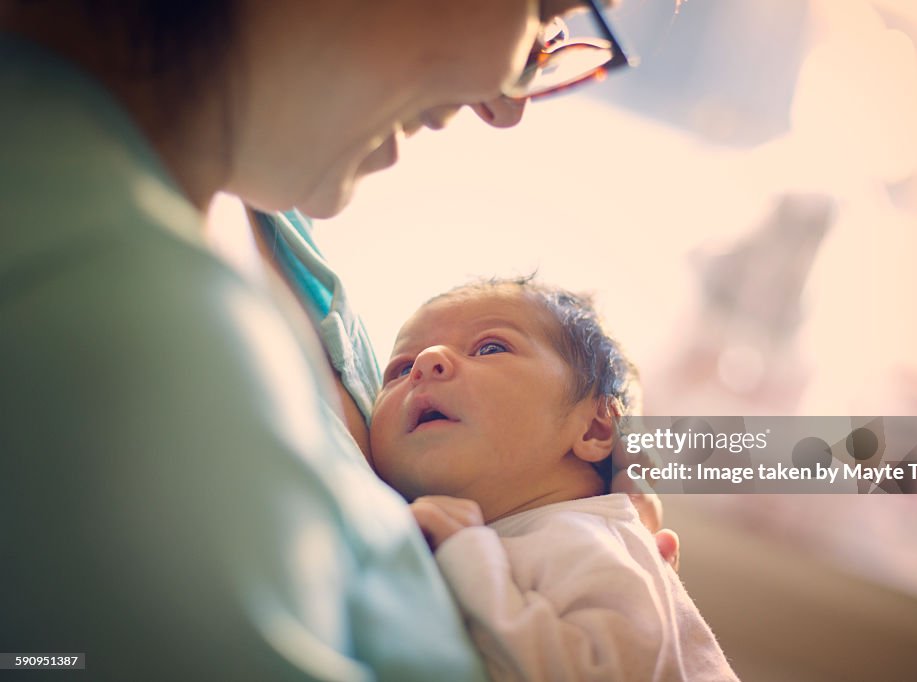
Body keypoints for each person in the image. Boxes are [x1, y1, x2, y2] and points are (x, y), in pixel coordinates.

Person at [0, 1, 675, 680]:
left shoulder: (279, 227)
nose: (507, 105)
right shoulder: (98, 302)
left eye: (493, 348)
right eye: (543, 12)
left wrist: (572, 544)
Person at [370, 278, 739, 681]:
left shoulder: (583, 535)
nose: (427, 361)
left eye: (490, 347)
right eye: (401, 369)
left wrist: (464, 552)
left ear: (595, 429)